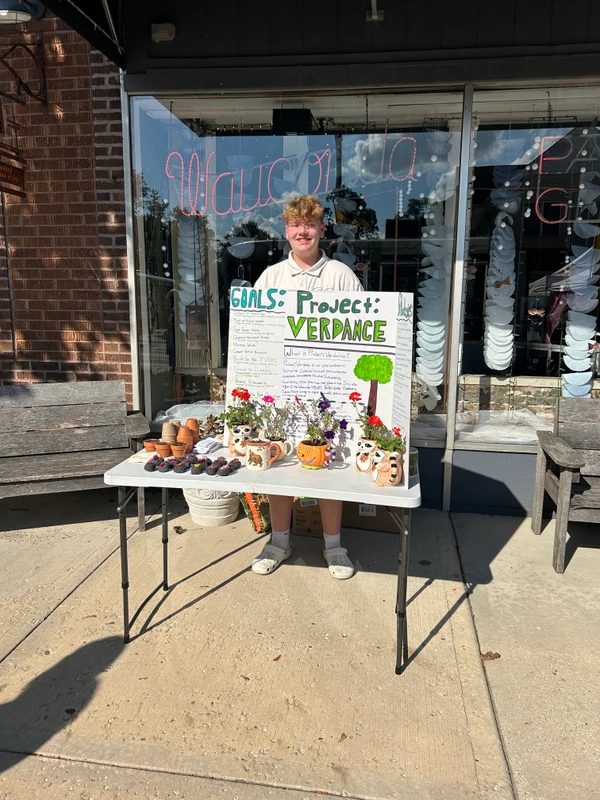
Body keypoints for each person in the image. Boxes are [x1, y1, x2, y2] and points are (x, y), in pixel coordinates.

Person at [251, 194, 364, 580]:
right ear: (286, 230)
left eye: (310, 224)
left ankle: (334, 547)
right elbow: (257, 333)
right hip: (282, 389)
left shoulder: (340, 276)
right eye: (296, 225)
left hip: (330, 390)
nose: (303, 231)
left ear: (321, 229)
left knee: (328, 465)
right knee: (279, 465)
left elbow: (362, 334)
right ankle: (279, 542)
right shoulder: (271, 278)